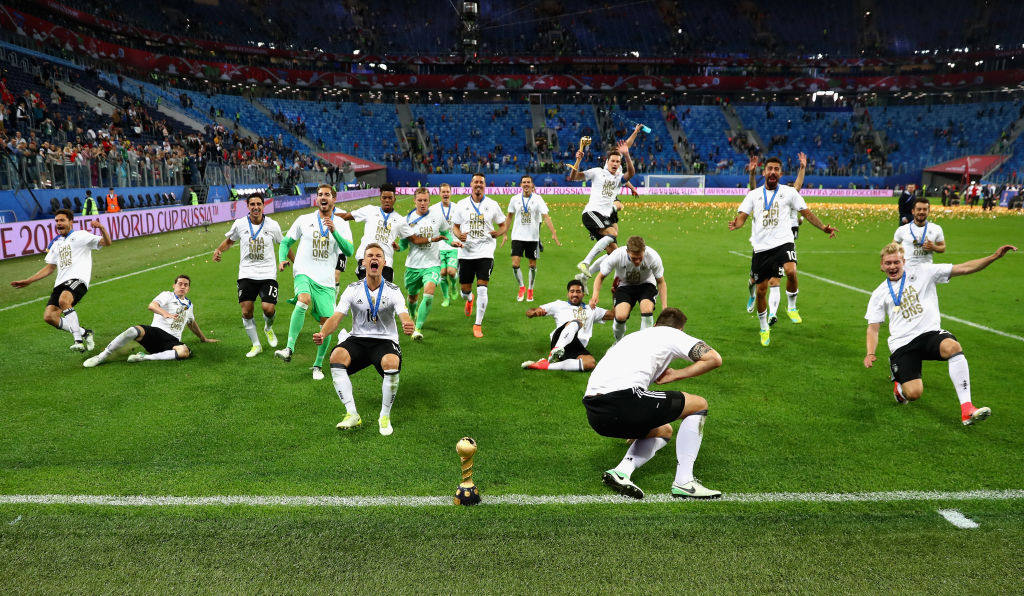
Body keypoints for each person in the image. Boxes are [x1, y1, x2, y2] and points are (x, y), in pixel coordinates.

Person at [864, 242, 1017, 425]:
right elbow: (873, 327)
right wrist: (870, 353)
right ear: (882, 266)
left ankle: (967, 409)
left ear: (903, 262)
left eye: (896, 262)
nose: (892, 266)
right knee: (914, 393)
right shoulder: (879, 294)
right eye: (888, 263)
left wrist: (994, 257)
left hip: (929, 334)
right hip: (902, 344)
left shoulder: (924, 271)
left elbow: (964, 268)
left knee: (953, 347)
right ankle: (901, 390)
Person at [583, 307, 723, 500]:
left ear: (655, 324)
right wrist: (676, 375)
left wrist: (637, 421)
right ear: (680, 329)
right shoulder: (674, 335)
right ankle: (685, 482)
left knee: (664, 430)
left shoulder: (633, 337)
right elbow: (714, 359)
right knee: (699, 405)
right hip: (624, 402)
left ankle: (621, 472)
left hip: (595, 413)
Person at [728, 157, 837, 347]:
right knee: (761, 291)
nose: (772, 172)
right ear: (764, 172)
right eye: (769, 168)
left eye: (776, 169)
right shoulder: (754, 195)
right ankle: (764, 328)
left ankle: (792, 307)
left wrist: (823, 227)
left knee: (791, 271)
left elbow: (807, 213)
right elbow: (742, 217)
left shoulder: (789, 192)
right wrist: (736, 224)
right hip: (761, 248)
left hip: (783, 242)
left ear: (781, 173)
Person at [314, 244, 415, 435]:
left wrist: (407, 323)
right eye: (370, 256)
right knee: (336, 357)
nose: (374, 258)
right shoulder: (353, 289)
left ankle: (384, 416)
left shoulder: (393, 290)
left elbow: (403, 314)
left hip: (385, 341)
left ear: (384, 263)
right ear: (364, 262)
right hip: (359, 339)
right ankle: (352, 414)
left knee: (391, 362)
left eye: (378, 256)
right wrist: (323, 333)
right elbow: (336, 317)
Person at [274, 184, 355, 380]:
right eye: (320, 194)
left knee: (326, 324)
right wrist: (282, 258)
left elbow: (349, 251)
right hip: (304, 272)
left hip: (326, 279)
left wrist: (334, 231)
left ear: (334, 199)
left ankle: (317, 365)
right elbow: (286, 242)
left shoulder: (341, 224)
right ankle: (289, 348)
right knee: (303, 299)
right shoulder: (304, 219)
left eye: (327, 194)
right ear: (316, 199)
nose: (323, 197)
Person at [10, 209, 111, 352]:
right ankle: (85, 333)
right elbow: (50, 268)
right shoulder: (56, 243)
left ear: (71, 221)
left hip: (78, 279)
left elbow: (107, 242)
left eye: (62, 220)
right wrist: (29, 280)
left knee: (64, 301)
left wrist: (101, 228)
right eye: (56, 221)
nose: (58, 223)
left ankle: (78, 341)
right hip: (60, 283)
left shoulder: (80, 235)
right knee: (50, 317)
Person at [83, 274, 218, 367]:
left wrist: (203, 338)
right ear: (174, 285)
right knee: (133, 330)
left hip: (171, 342)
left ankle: (143, 357)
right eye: (180, 284)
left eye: (186, 285)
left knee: (184, 352)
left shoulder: (189, 305)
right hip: (155, 334)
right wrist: (165, 313)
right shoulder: (167, 295)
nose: (182, 287)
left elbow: (191, 323)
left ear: (188, 288)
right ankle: (101, 357)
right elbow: (152, 306)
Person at [213, 193, 284, 357]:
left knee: (268, 309)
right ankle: (256, 345)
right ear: (248, 206)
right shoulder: (240, 224)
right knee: (246, 311)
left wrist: (294, 263)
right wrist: (218, 250)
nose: (256, 207)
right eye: (252, 204)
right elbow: (230, 241)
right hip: (246, 272)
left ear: (263, 206)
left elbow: (284, 244)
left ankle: (268, 328)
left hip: (267, 273)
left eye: (259, 204)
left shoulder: (273, 225)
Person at [746, 152, 807, 321]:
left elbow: (798, 187)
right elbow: (753, 190)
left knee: (775, 281)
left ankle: (773, 313)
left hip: (782, 243)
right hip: (762, 244)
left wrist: (802, 168)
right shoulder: (759, 196)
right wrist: (752, 173)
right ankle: (752, 295)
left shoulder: (789, 195)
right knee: (753, 281)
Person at [397, 188, 462, 340]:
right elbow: (403, 244)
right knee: (412, 297)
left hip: (432, 263)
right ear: (414, 201)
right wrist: (396, 247)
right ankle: (412, 313)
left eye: (425, 200)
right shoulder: (407, 220)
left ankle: (417, 328)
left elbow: (445, 232)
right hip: (413, 265)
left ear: (429, 201)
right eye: (419, 200)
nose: (422, 203)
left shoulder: (437, 216)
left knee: (429, 293)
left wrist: (451, 242)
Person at [569, 138, 636, 282]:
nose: (615, 164)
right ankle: (585, 262)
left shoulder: (618, 179)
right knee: (613, 233)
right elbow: (573, 177)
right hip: (591, 213)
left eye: (618, 162)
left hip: (603, 217)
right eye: (613, 161)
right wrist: (578, 161)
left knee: (615, 253)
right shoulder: (597, 172)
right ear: (607, 161)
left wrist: (627, 155)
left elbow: (631, 173)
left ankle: (582, 278)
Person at [451, 172, 508, 338]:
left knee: (483, 288)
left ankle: (477, 324)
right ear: (471, 184)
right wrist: (459, 235)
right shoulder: (461, 204)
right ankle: (469, 299)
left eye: (481, 182)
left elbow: (503, 225)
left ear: (485, 185)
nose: (478, 185)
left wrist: (499, 233)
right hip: (466, 252)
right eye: (475, 182)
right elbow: (455, 226)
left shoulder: (492, 204)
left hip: (485, 251)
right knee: (464, 291)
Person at [588, 236, 667, 343]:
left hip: (646, 284)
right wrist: (595, 295)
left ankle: (644, 344)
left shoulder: (653, 257)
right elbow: (600, 277)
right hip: (624, 285)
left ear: (644, 251)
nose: (637, 261)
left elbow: (661, 282)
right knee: (620, 316)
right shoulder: (617, 255)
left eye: (640, 257)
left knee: (647, 309)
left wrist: (664, 307)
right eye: (634, 258)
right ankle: (619, 343)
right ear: (627, 251)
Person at [522, 279, 613, 371]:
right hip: (559, 338)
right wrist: (534, 312)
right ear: (567, 294)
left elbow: (615, 315)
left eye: (578, 291)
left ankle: (545, 365)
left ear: (583, 294)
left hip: (576, 346)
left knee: (590, 363)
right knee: (577, 322)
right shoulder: (558, 305)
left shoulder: (591, 309)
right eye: (572, 291)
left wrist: (616, 295)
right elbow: (529, 312)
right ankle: (557, 349)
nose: (575, 294)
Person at [335, 183, 419, 282]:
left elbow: (414, 239)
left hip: (386, 262)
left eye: (390, 198)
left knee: (384, 290)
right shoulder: (370, 210)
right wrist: (325, 216)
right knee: (369, 286)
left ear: (394, 199)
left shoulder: (400, 220)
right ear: (380, 198)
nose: (387, 200)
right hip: (365, 257)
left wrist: (431, 239)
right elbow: (346, 216)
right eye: (384, 198)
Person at [501, 174, 560, 302]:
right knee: (515, 264)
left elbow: (546, 216)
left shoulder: (538, 199)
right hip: (517, 236)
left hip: (533, 238)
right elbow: (509, 216)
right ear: (521, 185)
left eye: (528, 182)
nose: (526, 184)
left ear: (532, 185)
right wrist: (504, 233)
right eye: (524, 182)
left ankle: (530, 289)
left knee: (532, 265)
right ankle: (522, 287)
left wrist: (554, 233)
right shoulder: (514, 199)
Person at [893, 197, 945, 267]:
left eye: (925, 209)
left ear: (928, 211)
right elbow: (892, 248)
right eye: (919, 209)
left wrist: (934, 247)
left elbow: (942, 247)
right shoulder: (902, 229)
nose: (921, 212)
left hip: (927, 270)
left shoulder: (936, 228)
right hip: (908, 269)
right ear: (913, 211)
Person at [435, 183, 459, 307]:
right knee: (443, 273)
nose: (445, 194)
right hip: (439, 247)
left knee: (451, 271)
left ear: (451, 193)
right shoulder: (434, 209)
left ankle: (454, 286)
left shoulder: (457, 208)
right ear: (440, 193)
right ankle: (446, 297)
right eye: (443, 192)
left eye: (447, 192)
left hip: (453, 244)